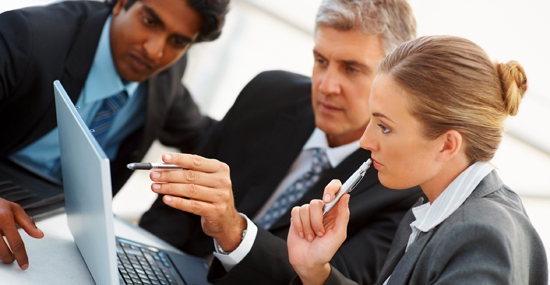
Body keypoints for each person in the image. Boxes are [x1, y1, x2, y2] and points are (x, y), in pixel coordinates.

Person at [138, 0, 423, 284]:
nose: (325, 86)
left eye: (351, 69)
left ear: (393, 79)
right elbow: (173, 210)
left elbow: (331, 279)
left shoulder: (403, 187)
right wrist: (145, 265)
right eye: (321, 61)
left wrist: (234, 232)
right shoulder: (267, 94)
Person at [287, 35, 548, 284]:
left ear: (447, 145)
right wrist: (315, 272)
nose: (365, 141)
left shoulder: (481, 237)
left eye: (384, 127)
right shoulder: (435, 211)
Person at [0, 0, 229, 270]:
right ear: (121, 3)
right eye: (150, 22)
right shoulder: (29, 36)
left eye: (178, 42)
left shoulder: (167, 73)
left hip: (63, 227)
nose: (154, 51)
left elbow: (204, 136)